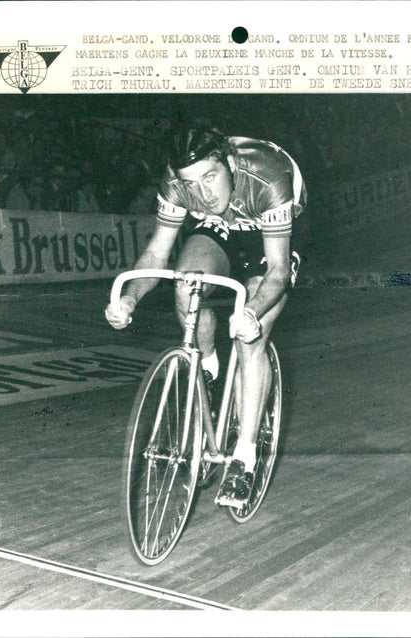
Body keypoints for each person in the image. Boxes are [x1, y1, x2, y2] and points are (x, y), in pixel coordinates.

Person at [105, 127, 306, 506]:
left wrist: (251, 312)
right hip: (219, 229)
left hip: (271, 232)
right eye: (191, 183)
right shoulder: (177, 184)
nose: (202, 193)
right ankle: (209, 371)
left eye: (210, 177)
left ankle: (244, 459)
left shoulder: (268, 176)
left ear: (229, 164)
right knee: (185, 284)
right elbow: (155, 256)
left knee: (250, 335)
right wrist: (129, 299)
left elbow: (278, 272)